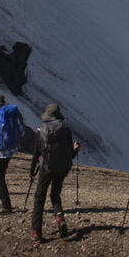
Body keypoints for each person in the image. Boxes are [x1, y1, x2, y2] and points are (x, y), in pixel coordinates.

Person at [29, 103, 80, 243]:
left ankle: (36, 232)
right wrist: (76, 149)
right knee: (55, 194)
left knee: (39, 197)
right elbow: (70, 154)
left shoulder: (42, 129)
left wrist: (32, 171)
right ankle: (60, 219)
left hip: (46, 168)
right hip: (62, 168)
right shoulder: (66, 130)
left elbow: (36, 153)